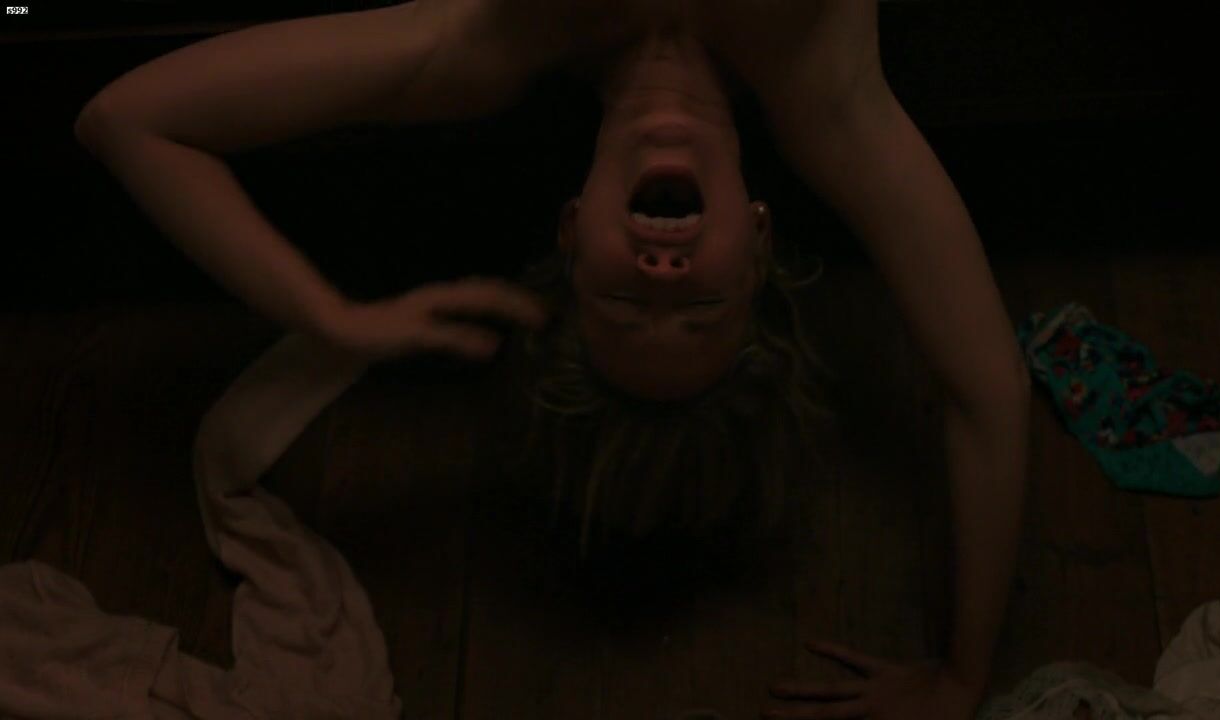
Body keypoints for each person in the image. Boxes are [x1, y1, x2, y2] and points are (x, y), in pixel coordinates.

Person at [74, 2, 1033, 717]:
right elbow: (988, 393)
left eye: (625, 300)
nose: (662, 271)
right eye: (699, 307)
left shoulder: (488, 44)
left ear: (573, 235)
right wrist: (961, 679)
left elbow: (128, 120)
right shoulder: (827, 92)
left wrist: (333, 317)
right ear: (759, 241)